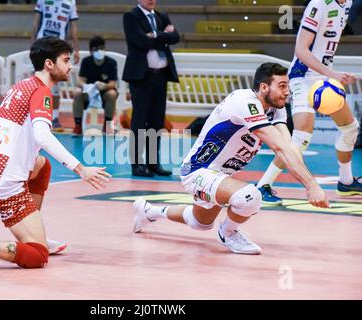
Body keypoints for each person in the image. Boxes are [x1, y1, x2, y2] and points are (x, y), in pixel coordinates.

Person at [0, 37, 111, 274]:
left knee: (43, 165)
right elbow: (42, 135)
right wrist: (80, 168)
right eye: (65, 60)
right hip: (1, 178)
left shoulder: (22, 86)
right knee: (37, 256)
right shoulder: (42, 93)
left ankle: (33, 230)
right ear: (49, 64)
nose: (71, 65)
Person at [132, 63, 330, 255]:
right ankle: (228, 232)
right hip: (199, 171)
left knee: (199, 223)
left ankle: (148, 211)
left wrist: (309, 182)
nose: (287, 92)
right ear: (263, 87)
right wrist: (311, 185)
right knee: (250, 196)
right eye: (282, 86)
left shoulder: (276, 108)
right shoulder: (245, 102)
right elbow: (279, 146)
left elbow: (287, 147)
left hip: (220, 175)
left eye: (287, 86)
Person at [256, 0, 361, 205]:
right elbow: (301, 51)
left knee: (350, 128)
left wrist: (331, 74)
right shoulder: (319, 4)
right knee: (301, 136)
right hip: (304, 76)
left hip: (323, 76)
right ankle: (263, 185)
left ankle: (346, 181)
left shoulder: (347, 3)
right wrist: (333, 74)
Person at [122, 0, 180, 177]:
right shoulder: (131, 16)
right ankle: (137, 164)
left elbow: (176, 37)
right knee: (140, 121)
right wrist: (163, 37)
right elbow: (139, 41)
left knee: (156, 121)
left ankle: (153, 163)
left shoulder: (162, 16)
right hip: (141, 77)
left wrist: (154, 35)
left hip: (160, 76)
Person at [31, 0, 80, 129]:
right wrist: (32, 44)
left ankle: (55, 117)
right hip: (42, 44)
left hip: (59, 46)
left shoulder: (70, 2)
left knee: (56, 82)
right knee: (38, 81)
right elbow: (36, 22)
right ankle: (34, 114)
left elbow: (73, 27)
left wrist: (76, 49)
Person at [72, 36, 118, 135]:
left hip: (104, 93)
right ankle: (78, 126)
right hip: (89, 93)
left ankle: (107, 125)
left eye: (101, 48)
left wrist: (104, 86)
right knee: (77, 92)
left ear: (105, 49)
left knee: (112, 94)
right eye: (96, 49)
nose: (99, 51)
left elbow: (113, 83)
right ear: (91, 51)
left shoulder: (111, 63)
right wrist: (85, 86)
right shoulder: (86, 61)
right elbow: (80, 81)